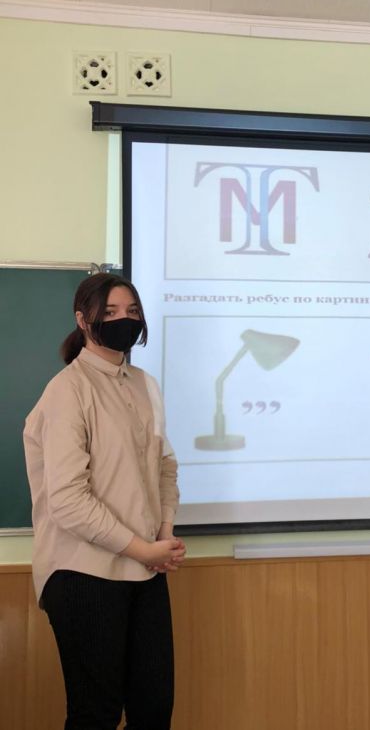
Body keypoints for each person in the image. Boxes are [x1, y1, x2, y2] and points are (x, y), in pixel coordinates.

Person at [23, 273, 185, 730]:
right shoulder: (67, 391)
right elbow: (68, 500)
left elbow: (165, 466)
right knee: (96, 714)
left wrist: (163, 535)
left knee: (154, 709)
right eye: (110, 312)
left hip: (147, 568)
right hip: (82, 572)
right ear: (83, 319)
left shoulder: (145, 385)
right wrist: (144, 549)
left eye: (132, 311)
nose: (123, 320)